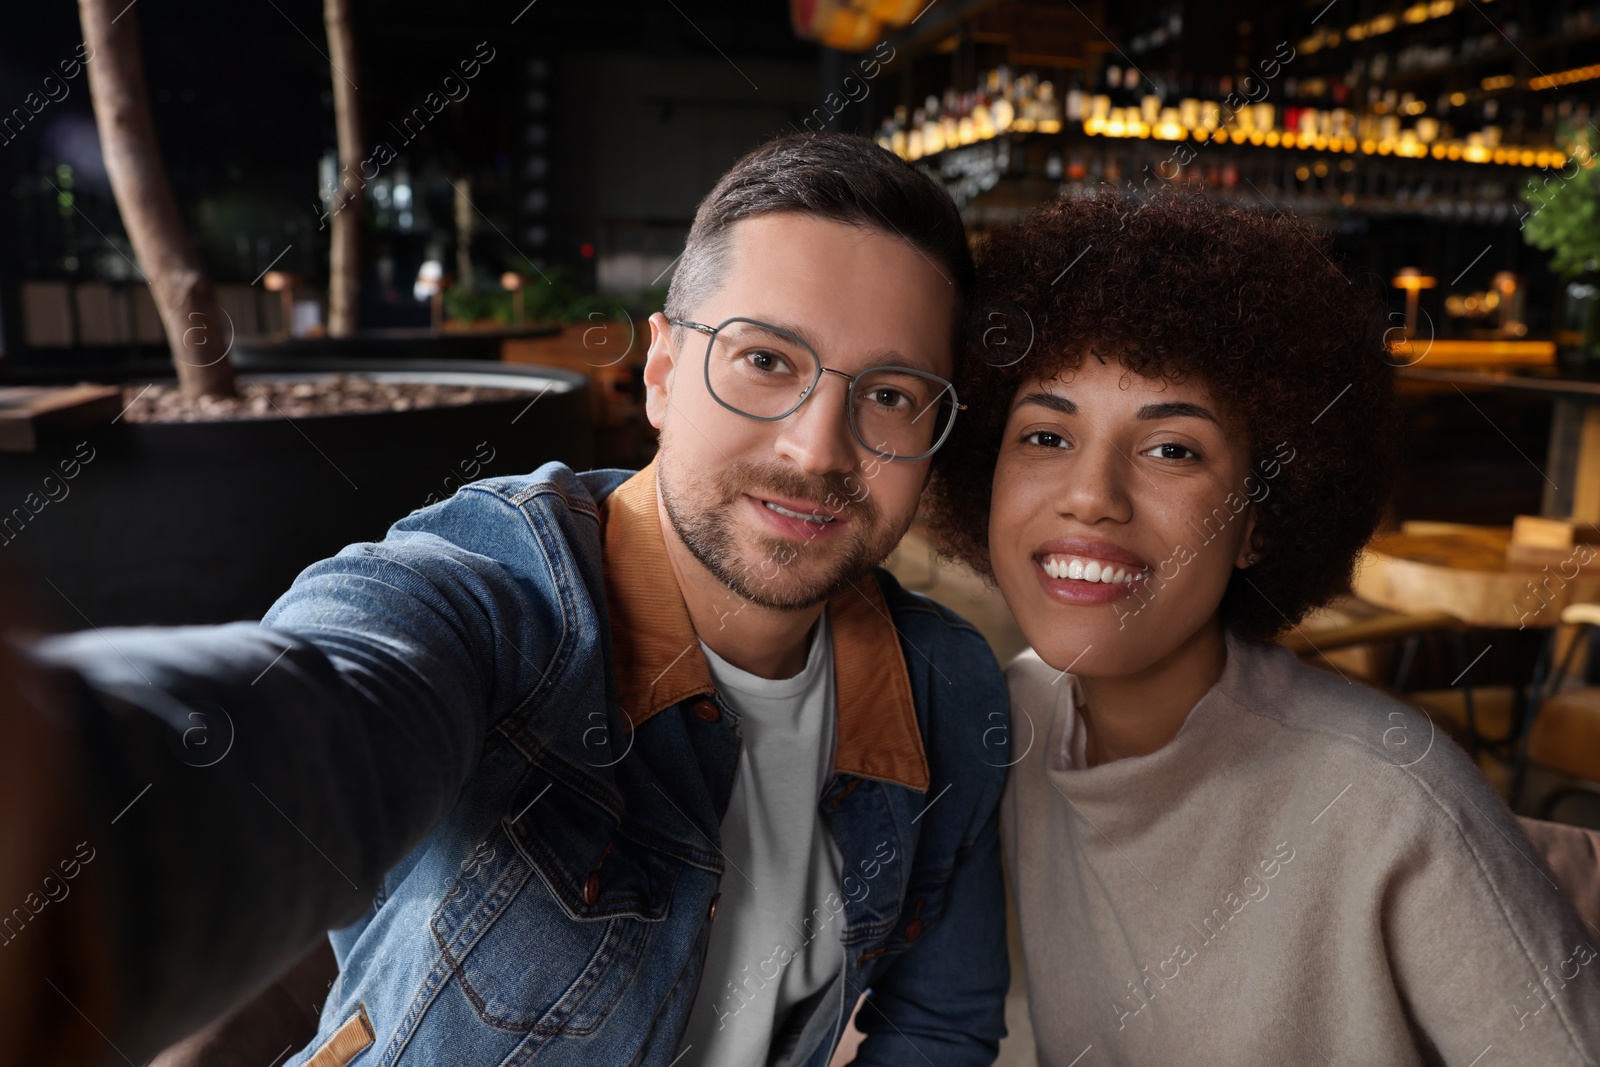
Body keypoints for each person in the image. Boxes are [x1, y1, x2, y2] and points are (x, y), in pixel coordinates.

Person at [2, 132, 1010, 1067]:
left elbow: (940, 1019)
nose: (816, 448)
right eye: (764, 361)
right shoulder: (497, 592)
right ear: (661, 370)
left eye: (888, 393)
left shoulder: (948, 688)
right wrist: (63, 794)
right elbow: (317, 716)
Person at [925, 191, 1600, 1064]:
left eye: (1173, 448)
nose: (1090, 493)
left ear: (1259, 521)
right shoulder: (1006, 718)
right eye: (1046, 435)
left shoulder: (1389, 798)